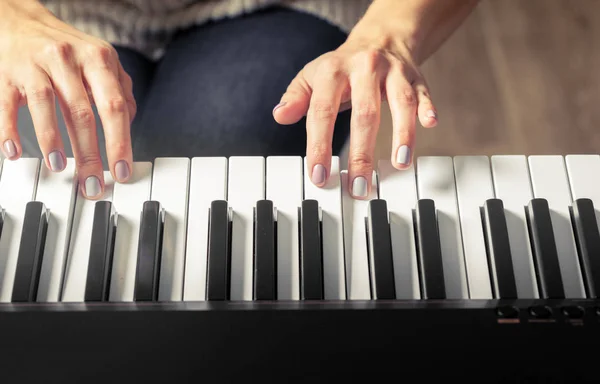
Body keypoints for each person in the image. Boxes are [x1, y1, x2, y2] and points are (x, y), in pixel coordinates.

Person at [0, 0, 480, 200]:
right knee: (81, 195)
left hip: (267, 8)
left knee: (209, 191)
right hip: (49, 16)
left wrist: (390, 34)